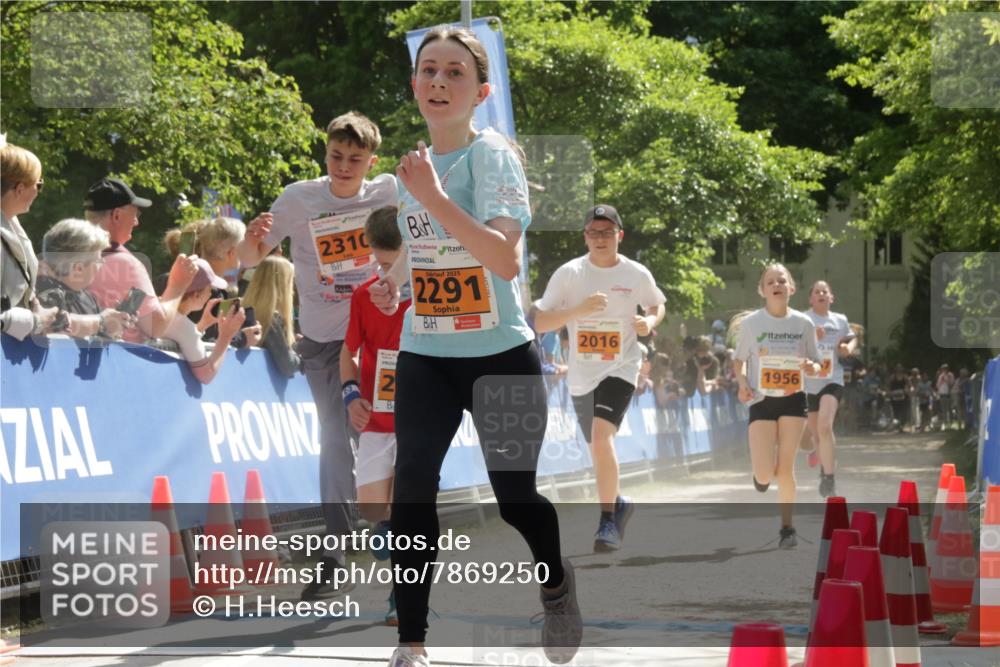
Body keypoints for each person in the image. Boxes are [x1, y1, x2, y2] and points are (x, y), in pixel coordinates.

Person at [368, 26, 580, 667]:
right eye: (428, 70)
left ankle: (558, 584)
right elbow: (426, 244)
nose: (438, 80)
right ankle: (412, 642)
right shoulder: (413, 168)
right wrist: (394, 282)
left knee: (515, 496)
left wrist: (432, 193)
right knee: (413, 489)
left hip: (499, 354)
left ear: (480, 91)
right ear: (414, 85)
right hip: (427, 353)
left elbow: (502, 259)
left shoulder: (491, 158)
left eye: (454, 72)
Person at [236, 111, 397, 600]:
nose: (344, 167)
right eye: (335, 156)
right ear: (325, 153)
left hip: (383, 337)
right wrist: (249, 238)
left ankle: (391, 536)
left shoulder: (389, 192)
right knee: (334, 444)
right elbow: (248, 259)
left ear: (372, 160)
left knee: (385, 437)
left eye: (355, 159)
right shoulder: (299, 198)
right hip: (326, 340)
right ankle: (335, 554)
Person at [534, 203, 666, 552]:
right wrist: (578, 311)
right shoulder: (569, 274)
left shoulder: (635, 273)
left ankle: (607, 520)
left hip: (621, 365)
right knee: (597, 447)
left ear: (619, 236)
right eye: (594, 232)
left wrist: (648, 323)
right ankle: (618, 503)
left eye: (607, 232)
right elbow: (539, 321)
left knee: (600, 434)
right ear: (585, 237)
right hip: (581, 374)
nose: (600, 238)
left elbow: (656, 304)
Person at [338, 206, 409, 626]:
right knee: (375, 511)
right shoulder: (365, 295)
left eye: (393, 264)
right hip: (376, 421)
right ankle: (387, 534)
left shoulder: (431, 295)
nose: (386, 274)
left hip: (419, 419)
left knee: (408, 511)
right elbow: (347, 352)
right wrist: (351, 396)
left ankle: (402, 598)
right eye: (380, 263)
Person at [731, 263, 821, 548]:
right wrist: (742, 383)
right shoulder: (752, 324)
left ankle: (787, 528)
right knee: (764, 473)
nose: (776, 284)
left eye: (781, 280)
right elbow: (739, 360)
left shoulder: (804, 324)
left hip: (794, 399)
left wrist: (811, 366)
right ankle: (760, 477)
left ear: (791, 288)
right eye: (770, 281)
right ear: (763, 290)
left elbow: (818, 364)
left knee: (785, 468)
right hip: (762, 400)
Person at [84, 177, 196, 342]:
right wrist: (177, 285)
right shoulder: (127, 265)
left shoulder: (61, 252)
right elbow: (155, 326)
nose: (136, 222)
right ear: (116, 215)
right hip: (109, 364)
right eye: (135, 214)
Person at [800, 280, 857, 497]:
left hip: (832, 379)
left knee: (824, 426)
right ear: (811, 298)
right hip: (810, 382)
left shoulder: (839, 320)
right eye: (817, 291)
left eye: (825, 291)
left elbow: (853, 338)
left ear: (831, 297)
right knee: (816, 432)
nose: (821, 293)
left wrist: (847, 348)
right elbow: (796, 346)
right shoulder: (804, 319)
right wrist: (814, 337)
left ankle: (829, 477)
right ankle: (823, 459)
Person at [36, 219, 134, 339]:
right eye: (98, 260)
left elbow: (97, 336)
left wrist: (116, 323)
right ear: (79, 269)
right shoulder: (43, 291)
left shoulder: (88, 298)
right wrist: (101, 322)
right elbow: (57, 323)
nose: (102, 263)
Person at [1, 139, 59, 339]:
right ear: (19, 189)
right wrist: (34, 322)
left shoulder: (12, 226)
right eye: (39, 184)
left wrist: (39, 311)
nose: (39, 191)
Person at [161, 258, 245, 384]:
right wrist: (226, 336)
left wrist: (203, 324)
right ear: (196, 295)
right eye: (209, 289)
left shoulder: (154, 305)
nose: (211, 293)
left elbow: (182, 336)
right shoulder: (185, 329)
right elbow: (206, 375)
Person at [241, 255, 301, 378]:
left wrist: (294, 346)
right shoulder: (272, 320)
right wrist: (306, 354)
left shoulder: (241, 312)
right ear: (285, 285)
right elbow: (288, 365)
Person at [935, 363, 955, 429]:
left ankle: (951, 423)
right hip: (942, 394)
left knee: (949, 409)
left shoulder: (950, 375)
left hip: (948, 394)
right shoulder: (940, 376)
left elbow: (952, 383)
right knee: (944, 410)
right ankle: (945, 423)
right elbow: (937, 385)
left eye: (945, 368)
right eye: (943, 369)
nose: (944, 370)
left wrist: (946, 379)